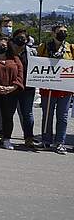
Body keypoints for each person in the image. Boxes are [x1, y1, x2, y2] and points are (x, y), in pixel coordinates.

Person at [37, 24, 73, 153]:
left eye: (65, 31)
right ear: (53, 33)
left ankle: (60, 142)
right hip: (48, 88)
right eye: (60, 31)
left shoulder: (71, 48)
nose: (63, 33)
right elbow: (38, 64)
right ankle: (46, 140)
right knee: (47, 115)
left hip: (65, 89)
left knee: (62, 116)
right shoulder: (44, 47)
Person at [9, 28, 39, 149]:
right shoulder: (9, 51)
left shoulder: (32, 52)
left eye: (23, 38)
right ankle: (6, 136)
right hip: (11, 87)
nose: (21, 40)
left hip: (27, 87)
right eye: (19, 37)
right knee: (8, 113)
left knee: (27, 113)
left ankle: (29, 138)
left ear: (27, 40)